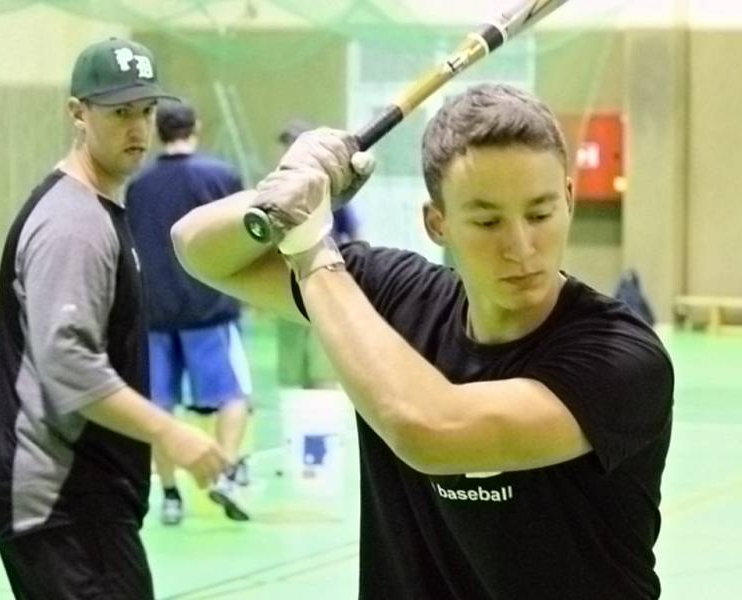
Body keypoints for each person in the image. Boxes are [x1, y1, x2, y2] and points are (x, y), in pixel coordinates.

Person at [171, 83, 674, 599]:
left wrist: (310, 248)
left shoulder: (622, 358)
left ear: (568, 199)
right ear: (438, 223)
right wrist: (281, 194)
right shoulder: (394, 295)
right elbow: (195, 245)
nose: (521, 246)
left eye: (540, 214)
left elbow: (429, 428)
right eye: (487, 221)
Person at [0, 38, 228, 600]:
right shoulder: (74, 225)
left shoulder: (101, 210)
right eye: (120, 113)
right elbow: (68, 365)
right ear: (77, 114)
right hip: (61, 504)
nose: (138, 128)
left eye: (146, 111)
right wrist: (171, 433)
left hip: (83, 504)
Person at [126, 99, 253, 523]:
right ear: (195, 126)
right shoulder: (221, 176)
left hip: (154, 313)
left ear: (158, 130)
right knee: (233, 397)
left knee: (159, 408)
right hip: (210, 309)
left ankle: (170, 496)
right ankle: (228, 475)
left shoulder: (138, 186)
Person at [275, 119, 359, 389]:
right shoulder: (275, 189)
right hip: (286, 283)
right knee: (290, 367)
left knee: (324, 366)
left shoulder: (330, 187)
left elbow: (353, 233)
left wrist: (352, 278)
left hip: (322, 280)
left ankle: (321, 424)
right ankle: (295, 426)